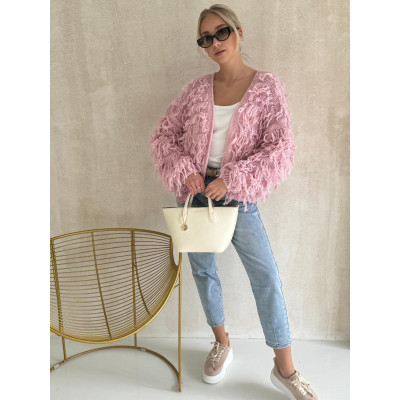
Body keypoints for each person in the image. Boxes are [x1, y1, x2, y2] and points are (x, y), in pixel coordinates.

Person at [150, 4, 319, 399]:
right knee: (203, 271)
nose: (215, 42)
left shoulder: (266, 87)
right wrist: (185, 170)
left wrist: (233, 180)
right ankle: (221, 342)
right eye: (206, 38)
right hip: (195, 195)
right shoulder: (195, 90)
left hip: (238, 197)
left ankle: (285, 368)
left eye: (221, 32)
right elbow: (164, 137)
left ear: (239, 32)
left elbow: (279, 147)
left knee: (266, 276)